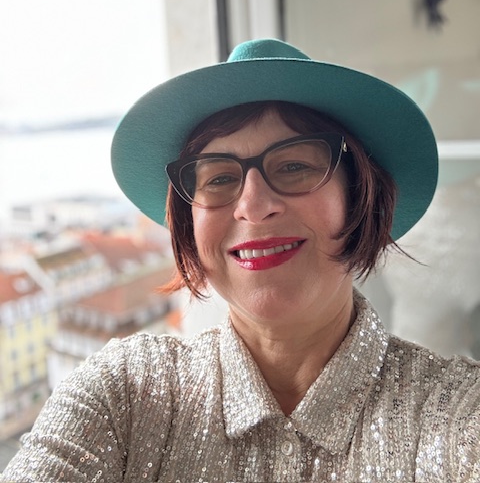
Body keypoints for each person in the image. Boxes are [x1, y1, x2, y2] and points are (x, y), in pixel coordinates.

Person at [2, 38, 479, 483]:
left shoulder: (456, 414)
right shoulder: (122, 395)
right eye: (218, 179)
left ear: (359, 195)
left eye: (294, 166)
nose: (253, 205)